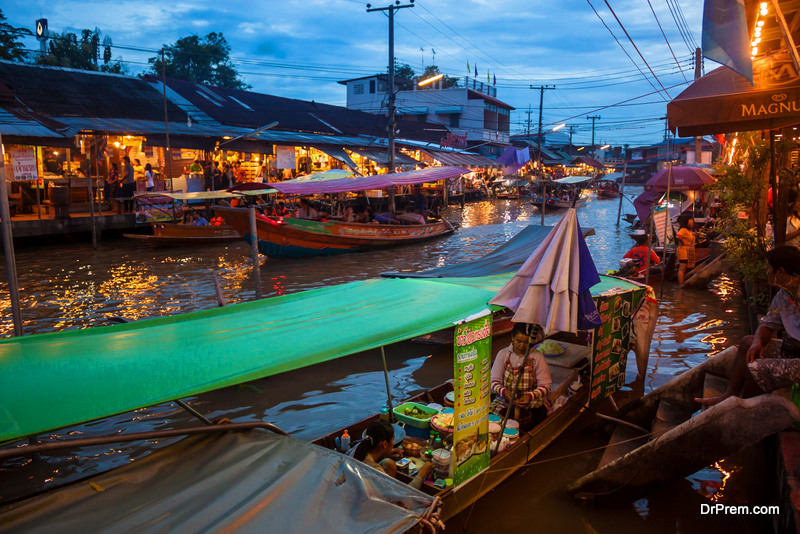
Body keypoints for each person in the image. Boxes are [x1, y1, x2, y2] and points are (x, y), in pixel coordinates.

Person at [696, 246, 800, 406]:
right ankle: (729, 395)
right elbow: (767, 325)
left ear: (780, 272)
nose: (766, 272)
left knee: (756, 368)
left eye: (768, 268)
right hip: (792, 351)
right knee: (747, 342)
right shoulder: (783, 295)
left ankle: (745, 408)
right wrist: (758, 341)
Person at [490, 323, 552, 429]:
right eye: (518, 341)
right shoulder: (503, 354)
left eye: (526, 342)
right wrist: (504, 392)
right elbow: (493, 381)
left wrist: (530, 396)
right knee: (492, 421)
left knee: (533, 423)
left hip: (532, 402)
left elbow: (546, 385)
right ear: (512, 338)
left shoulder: (537, 357)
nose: (522, 346)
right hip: (504, 402)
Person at [348, 420, 434, 489]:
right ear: (384, 444)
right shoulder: (376, 471)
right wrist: (422, 474)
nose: (393, 443)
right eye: (393, 439)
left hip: (353, 487)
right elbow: (403, 497)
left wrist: (385, 453)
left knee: (388, 462)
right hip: (363, 503)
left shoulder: (359, 447)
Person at [675, 215, 696, 284]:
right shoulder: (683, 229)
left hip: (687, 251)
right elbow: (678, 236)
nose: (692, 221)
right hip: (683, 251)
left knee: (684, 269)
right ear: (686, 221)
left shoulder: (688, 230)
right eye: (690, 219)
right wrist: (683, 242)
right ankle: (681, 285)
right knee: (682, 269)